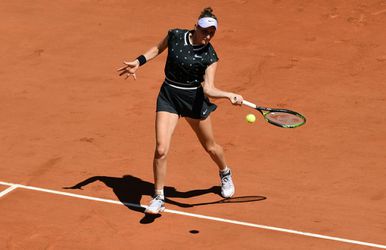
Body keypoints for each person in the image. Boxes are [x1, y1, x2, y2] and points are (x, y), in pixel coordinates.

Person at [118, 7, 243, 214]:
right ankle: (158, 197)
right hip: (169, 97)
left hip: (194, 102)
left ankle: (225, 171)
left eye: (212, 32)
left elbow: (209, 89)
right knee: (161, 149)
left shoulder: (210, 55)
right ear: (196, 27)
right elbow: (157, 49)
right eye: (205, 30)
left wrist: (229, 94)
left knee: (211, 147)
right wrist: (139, 62)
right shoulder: (175, 35)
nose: (208, 35)